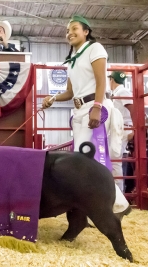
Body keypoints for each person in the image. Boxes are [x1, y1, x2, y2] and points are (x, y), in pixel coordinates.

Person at [41, 15, 131, 219]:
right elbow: (70, 92)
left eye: (74, 28)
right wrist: (52, 98)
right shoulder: (72, 59)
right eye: (67, 31)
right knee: (81, 160)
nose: (69, 33)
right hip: (79, 109)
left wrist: (97, 107)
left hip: (94, 106)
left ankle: (116, 203)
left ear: (86, 31)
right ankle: (100, 204)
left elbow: (101, 81)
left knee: (92, 158)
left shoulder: (95, 48)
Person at [108, 71, 136, 192]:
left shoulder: (122, 92)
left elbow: (132, 109)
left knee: (115, 159)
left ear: (112, 80)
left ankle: (118, 192)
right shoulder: (117, 92)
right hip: (119, 128)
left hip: (123, 128)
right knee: (113, 159)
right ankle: (115, 191)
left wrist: (133, 128)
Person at [125, 114, 148, 193]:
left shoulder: (137, 116)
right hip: (136, 150)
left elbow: (134, 134)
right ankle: (130, 199)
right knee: (131, 179)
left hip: (142, 150)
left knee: (143, 179)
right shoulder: (138, 115)